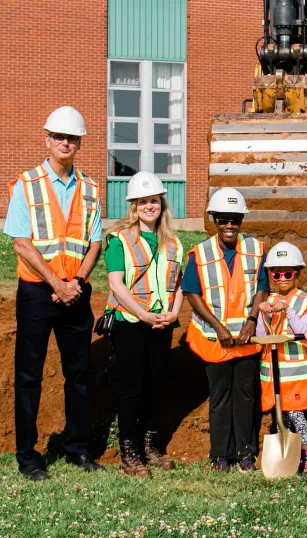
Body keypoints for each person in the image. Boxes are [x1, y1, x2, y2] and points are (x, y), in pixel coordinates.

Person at [4, 106, 103, 481]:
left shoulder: (91, 189)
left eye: (72, 138)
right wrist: (56, 284)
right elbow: (21, 243)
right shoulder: (27, 184)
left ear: (79, 144)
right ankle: (28, 456)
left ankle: (78, 449)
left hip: (76, 293)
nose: (65, 142)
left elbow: (94, 243)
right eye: (59, 136)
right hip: (36, 293)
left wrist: (75, 282)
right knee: (28, 375)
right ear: (47, 140)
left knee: (78, 375)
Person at [103, 171, 184, 477]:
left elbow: (176, 286)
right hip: (131, 323)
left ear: (161, 205)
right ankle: (129, 455)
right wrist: (142, 313)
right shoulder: (119, 239)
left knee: (155, 387)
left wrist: (174, 313)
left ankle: (151, 449)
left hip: (162, 324)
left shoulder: (173, 242)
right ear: (133, 206)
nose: (149, 206)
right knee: (132, 389)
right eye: (142, 202)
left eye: (154, 201)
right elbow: (116, 284)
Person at [183, 187, 270, 472]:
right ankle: (220, 454)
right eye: (223, 219)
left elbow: (262, 287)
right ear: (214, 220)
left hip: (246, 337)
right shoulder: (201, 253)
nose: (229, 225)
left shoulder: (257, 251)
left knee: (246, 395)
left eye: (235, 219)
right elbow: (192, 293)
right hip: (214, 338)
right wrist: (218, 326)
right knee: (220, 397)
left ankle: (245, 453)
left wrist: (251, 320)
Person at [256, 242, 307, 473]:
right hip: (275, 371)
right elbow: (261, 336)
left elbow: (303, 331)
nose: (282, 278)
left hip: (297, 372)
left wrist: (287, 309)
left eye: (288, 273)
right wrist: (263, 314)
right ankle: (285, 455)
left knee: (296, 412)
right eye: (276, 273)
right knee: (279, 413)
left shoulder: (305, 301)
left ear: (296, 273)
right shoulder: (268, 300)